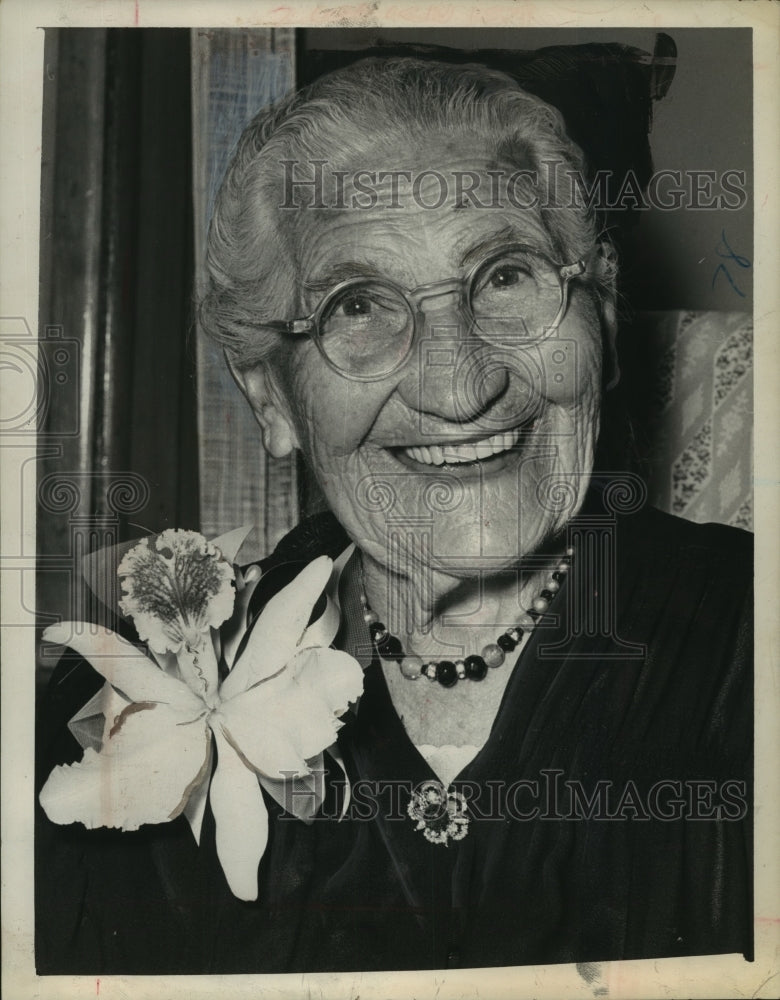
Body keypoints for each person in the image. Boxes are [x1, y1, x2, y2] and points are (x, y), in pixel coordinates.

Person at [37, 56, 752, 974]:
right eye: (357, 306)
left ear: (603, 322)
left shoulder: (749, 637)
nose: (460, 388)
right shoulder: (131, 695)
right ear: (272, 398)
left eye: (507, 276)